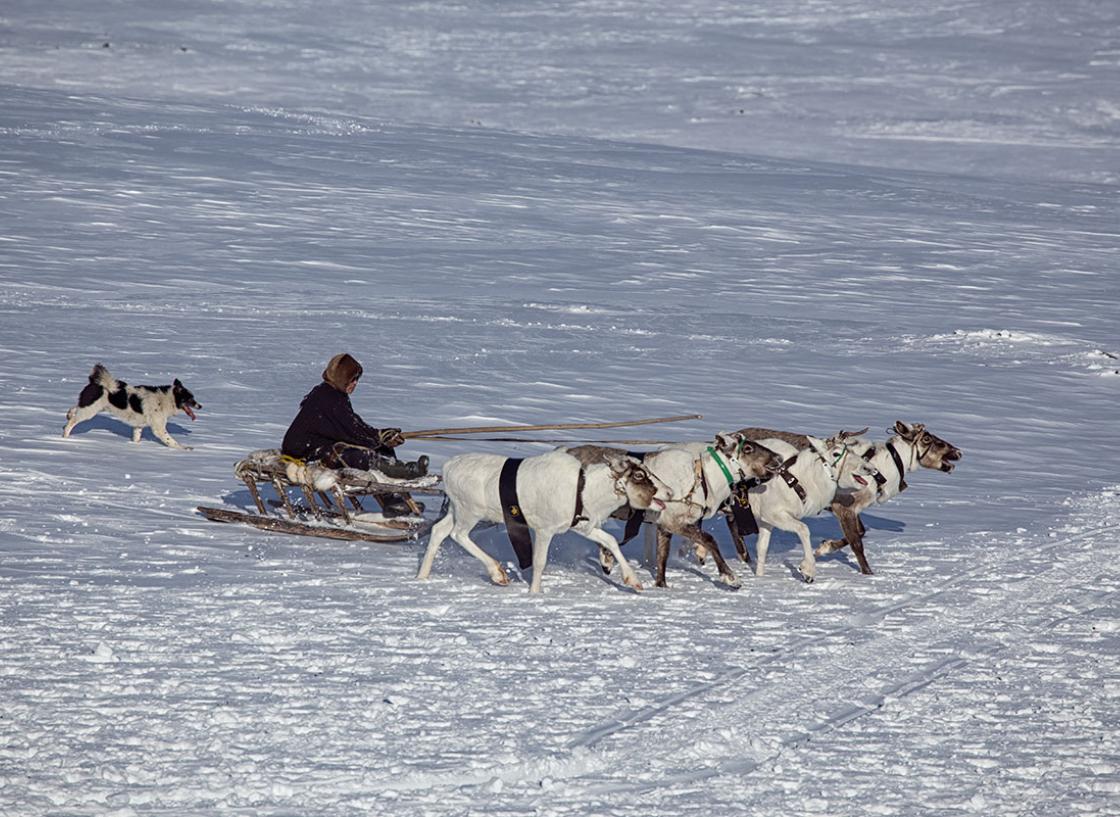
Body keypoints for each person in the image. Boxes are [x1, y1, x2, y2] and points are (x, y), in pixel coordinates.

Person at [281, 353, 427, 516]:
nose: (355, 383)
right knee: (360, 456)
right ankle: (406, 471)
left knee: (381, 449)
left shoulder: (336, 395)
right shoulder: (326, 397)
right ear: (341, 378)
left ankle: (393, 500)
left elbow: (354, 424)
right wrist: (378, 436)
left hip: (326, 444)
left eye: (356, 379)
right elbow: (350, 429)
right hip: (306, 453)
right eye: (352, 379)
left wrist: (382, 437)